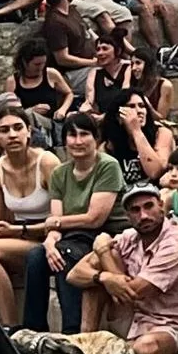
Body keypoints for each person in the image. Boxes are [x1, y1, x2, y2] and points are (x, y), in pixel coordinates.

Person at [66, 184, 178, 354]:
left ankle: (95, 352)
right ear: (127, 215)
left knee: (146, 348)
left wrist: (103, 252)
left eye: (148, 206)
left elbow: (132, 293)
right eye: (135, 210)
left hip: (169, 325)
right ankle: (85, 341)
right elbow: (74, 274)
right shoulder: (128, 236)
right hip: (130, 316)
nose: (143, 216)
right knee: (94, 275)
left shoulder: (176, 245)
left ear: (161, 206)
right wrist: (104, 277)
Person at [26, 113, 130, 334]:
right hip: (73, 235)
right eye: (72, 135)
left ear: (96, 138)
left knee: (67, 253)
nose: (78, 141)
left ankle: (71, 332)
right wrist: (50, 242)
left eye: (84, 134)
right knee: (36, 256)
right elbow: (56, 222)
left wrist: (54, 223)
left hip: (107, 234)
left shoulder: (108, 165)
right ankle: (33, 330)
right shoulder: (59, 173)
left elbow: (94, 219)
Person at [0, 108, 62, 328]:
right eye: (4, 130)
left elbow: (60, 219)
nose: (12, 135)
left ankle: (11, 326)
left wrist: (16, 230)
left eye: (18, 128)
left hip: (50, 237)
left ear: (28, 131)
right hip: (19, 236)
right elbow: (0, 218)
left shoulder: (47, 162)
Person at [40, 0, 100, 100]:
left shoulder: (72, 11)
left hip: (92, 63)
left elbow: (90, 34)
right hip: (73, 74)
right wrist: (93, 62)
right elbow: (63, 59)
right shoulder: (55, 23)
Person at [100, 87, 175, 187]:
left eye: (142, 106)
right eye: (131, 106)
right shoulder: (109, 144)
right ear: (119, 116)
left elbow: (155, 172)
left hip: (156, 192)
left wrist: (136, 131)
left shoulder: (162, 134)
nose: (139, 111)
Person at [5, 38, 74, 144]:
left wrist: (62, 109)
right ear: (25, 62)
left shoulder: (51, 74)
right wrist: (31, 110)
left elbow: (69, 93)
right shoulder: (13, 81)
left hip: (52, 123)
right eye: (36, 64)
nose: (40, 67)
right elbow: (10, 111)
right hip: (28, 124)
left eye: (43, 63)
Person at [81, 28, 133, 115]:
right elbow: (89, 100)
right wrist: (84, 110)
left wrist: (106, 117)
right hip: (101, 116)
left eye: (105, 49)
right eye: (98, 49)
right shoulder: (94, 73)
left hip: (124, 113)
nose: (100, 53)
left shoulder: (128, 67)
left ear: (118, 50)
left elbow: (124, 96)